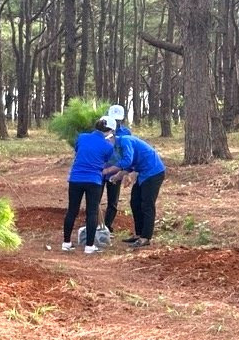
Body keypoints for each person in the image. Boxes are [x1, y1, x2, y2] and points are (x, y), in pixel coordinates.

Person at [62, 116, 116, 254]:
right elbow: (106, 160)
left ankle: (66, 243)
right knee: (91, 212)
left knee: (72, 210)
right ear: (109, 130)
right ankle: (89, 246)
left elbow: (78, 150)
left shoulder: (82, 137)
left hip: (75, 178)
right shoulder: (108, 146)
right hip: (94, 180)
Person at [105, 133, 166, 249]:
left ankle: (146, 237)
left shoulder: (125, 141)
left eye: (107, 141)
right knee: (135, 202)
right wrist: (118, 175)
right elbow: (128, 165)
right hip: (143, 173)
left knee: (147, 204)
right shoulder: (117, 146)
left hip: (154, 172)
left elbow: (127, 161)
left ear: (112, 137)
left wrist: (108, 171)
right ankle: (138, 234)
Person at [102, 104, 133, 232]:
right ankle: (92, 225)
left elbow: (128, 153)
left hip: (116, 170)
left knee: (113, 201)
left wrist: (125, 172)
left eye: (118, 119)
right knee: (95, 200)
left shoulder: (126, 132)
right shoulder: (102, 130)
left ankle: (107, 226)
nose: (116, 122)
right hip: (101, 169)